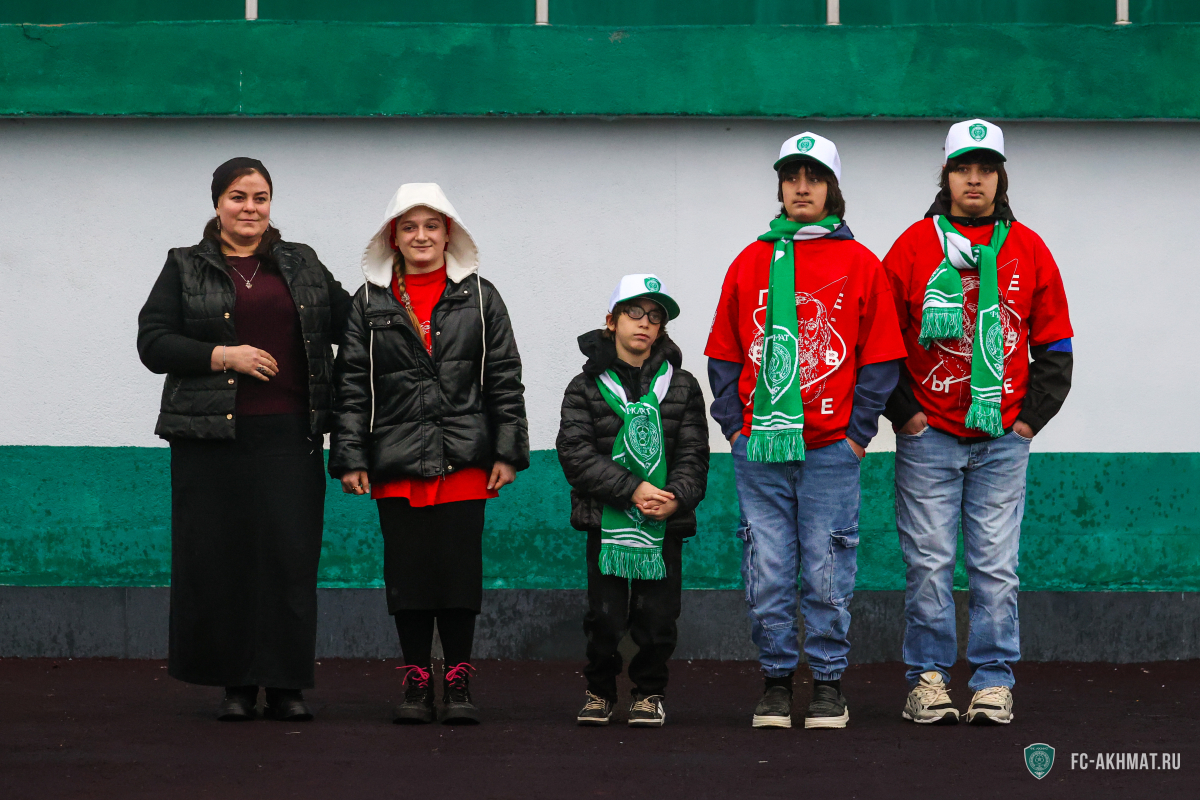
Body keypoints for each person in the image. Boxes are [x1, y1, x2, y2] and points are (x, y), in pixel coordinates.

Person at [137, 157, 351, 722]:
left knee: (288, 560)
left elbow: (350, 322)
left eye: (260, 197)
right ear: (217, 203)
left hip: (291, 435)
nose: (249, 208)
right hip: (210, 440)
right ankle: (235, 686)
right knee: (221, 562)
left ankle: (285, 686)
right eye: (238, 196)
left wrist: (401, 282)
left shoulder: (301, 262)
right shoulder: (184, 265)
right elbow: (153, 342)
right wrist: (221, 356)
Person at [706, 133, 908, 729]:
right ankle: (775, 681)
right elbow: (724, 353)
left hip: (830, 451)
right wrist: (736, 428)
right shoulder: (749, 261)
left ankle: (826, 684)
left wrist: (857, 433)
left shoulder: (860, 263)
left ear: (832, 189)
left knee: (827, 570)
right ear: (780, 187)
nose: (801, 187)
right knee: (767, 567)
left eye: (813, 177)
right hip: (759, 451)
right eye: (791, 177)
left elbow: (880, 359)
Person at [881, 119, 1073, 725]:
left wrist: (1028, 422)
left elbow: (1056, 347)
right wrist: (906, 415)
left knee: (995, 568)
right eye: (963, 168)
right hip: (930, 436)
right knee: (929, 565)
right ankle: (929, 681)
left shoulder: (1029, 249)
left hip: (1002, 440)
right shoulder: (913, 246)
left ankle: (992, 682)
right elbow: (880, 341)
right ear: (946, 176)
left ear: (999, 178)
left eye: (985, 169)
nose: (974, 179)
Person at [329, 183, 528, 725]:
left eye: (432, 225)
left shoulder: (482, 297)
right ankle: (417, 682)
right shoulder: (368, 301)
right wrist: (351, 457)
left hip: (465, 460)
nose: (421, 236)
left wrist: (507, 451)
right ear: (393, 237)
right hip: (396, 463)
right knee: (409, 578)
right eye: (410, 227)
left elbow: (504, 379)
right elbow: (351, 386)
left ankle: (458, 682)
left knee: (458, 577)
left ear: (449, 233)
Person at [557, 275, 709, 728]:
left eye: (655, 317)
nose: (645, 323)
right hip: (605, 520)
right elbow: (576, 454)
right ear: (612, 321)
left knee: (658, 617)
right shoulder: (584, 386)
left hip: (664, 522)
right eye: (634, 312)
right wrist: (631, 489)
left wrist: (676, 498)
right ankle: (599, 692)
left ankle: (649, 693)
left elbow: (694, 454)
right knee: (604, 618)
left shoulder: (682, 386)